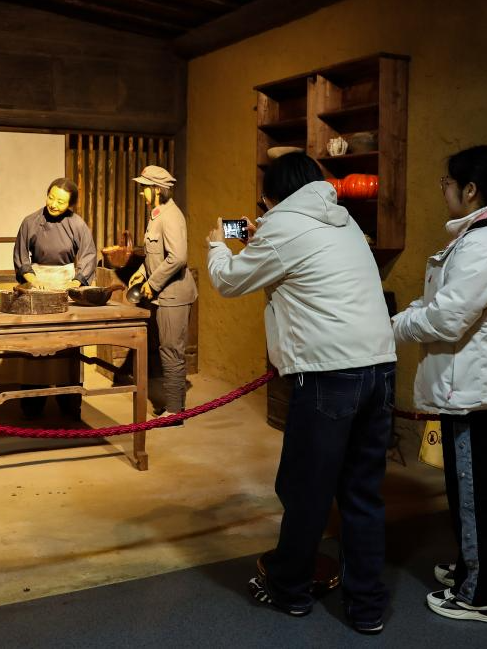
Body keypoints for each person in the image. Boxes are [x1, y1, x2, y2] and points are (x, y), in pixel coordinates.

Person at [206, 152, 395, 634]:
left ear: (272, 196)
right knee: (362, 492)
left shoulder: (282, 227)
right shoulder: (344, 220)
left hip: (329, 375)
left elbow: (228, 281)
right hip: (380, 368)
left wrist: (217, 246)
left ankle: (289, 590)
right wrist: (264, 237)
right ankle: (367, 608)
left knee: (305, 489)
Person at [392, 145, 487, 625]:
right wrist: (411, 314)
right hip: (483, 386)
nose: (444, 190)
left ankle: (480, 595)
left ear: (470, 190)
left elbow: (447, 318)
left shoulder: (483, 244)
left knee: (476, 493)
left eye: (447, 183)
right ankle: (479, 568)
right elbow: (447, 302)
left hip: (478, 392)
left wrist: (392, 327)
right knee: (477, 489)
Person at [10, 177, 96, 419]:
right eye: (51, 197)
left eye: (61, 201)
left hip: (66, 286)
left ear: (70, 205)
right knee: (35, 345)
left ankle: (69, 403)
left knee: (66, 346)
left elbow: (89, 255)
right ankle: (32, 404)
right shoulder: (30, 221)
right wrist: (32, 280)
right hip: (37, 285)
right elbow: (21, 256)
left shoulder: (77, 224)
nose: (54, 204)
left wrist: (76, 282)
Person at [127, 165, 197, 419]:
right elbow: (156, 254)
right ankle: (174, 406)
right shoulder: (158, 215)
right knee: (167, 349)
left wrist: (153, 283)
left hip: (174, 295)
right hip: (164, 294)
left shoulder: (171, 216)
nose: (141, 193)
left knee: (171, 351)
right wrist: (142, 273)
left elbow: (177, 257)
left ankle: (175, 411)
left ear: (156, 190)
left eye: (144, 188)